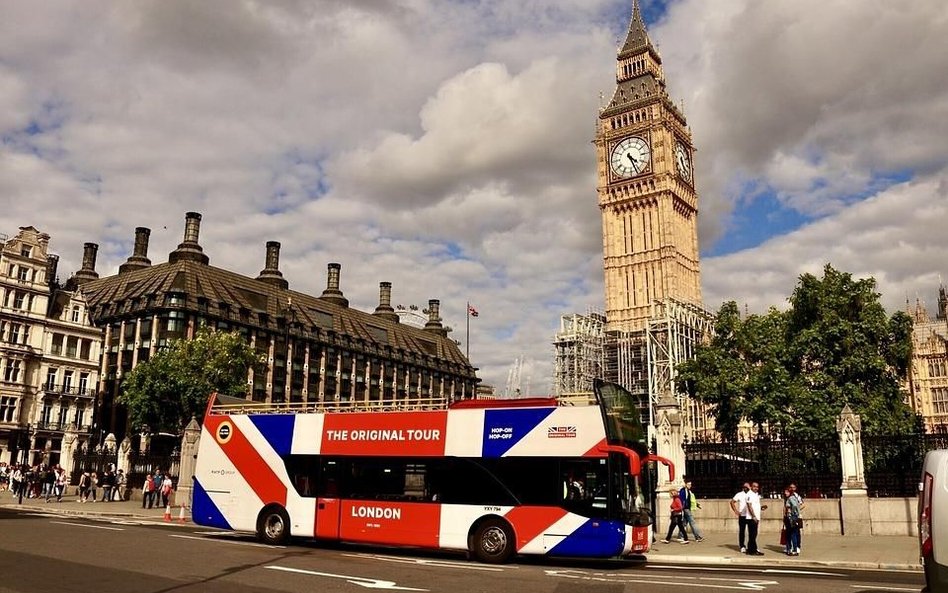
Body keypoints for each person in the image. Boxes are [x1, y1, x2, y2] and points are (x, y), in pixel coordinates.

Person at [745, 481, 767, 555]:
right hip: (752, 518)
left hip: (756, 517)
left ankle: (750, 549)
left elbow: (754, 506)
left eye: (757, 487)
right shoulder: (749, 494)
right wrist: (753, 516)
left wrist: (761, 508)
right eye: (754, 486)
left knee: (753, 534)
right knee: (753, 534)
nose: (756, 488)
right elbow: (749, 506)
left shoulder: (756, 495)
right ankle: (753, 550)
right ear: (751, 487)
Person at [679, 478, 704, 542]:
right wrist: (681, 508)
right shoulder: (683, 491)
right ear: (685, 484)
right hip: (686, 508)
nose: (690, 486)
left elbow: (691, 500)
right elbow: (681, 500)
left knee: (684, 523)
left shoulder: (689, 491)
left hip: (687, 508)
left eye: (690, 484)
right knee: (692, 522)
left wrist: (697, 505)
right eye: (688, 484)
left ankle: (681, 535)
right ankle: (698, 537)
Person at [729, 482, 751, 553]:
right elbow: (732, 502)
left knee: (752, 532)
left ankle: (751, 546)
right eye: (744, 486)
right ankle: (742, 546)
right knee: (742, 531)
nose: (745, 488)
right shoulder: (739, 494)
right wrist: (736, 511)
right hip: (743, 515)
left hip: (750, 515)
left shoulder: (751, 494)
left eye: (747, 486)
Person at [784, 486, 802, 555]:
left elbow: (793, 506)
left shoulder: (790, 499)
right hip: (795, 517)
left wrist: (790, 512)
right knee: (793, 534)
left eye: (787, 492)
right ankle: (794, 549)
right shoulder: (794, 498)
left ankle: (790, 549)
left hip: (791, 518)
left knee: (790, 534)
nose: (785, 493)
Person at [789, 483, 805, 552]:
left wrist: (797, 511)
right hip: (790, 516)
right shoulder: (788, 495)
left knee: (796, 532)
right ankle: (792, 546)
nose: (792, 489)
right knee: (792, 531)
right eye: (791, 487)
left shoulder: (797, 496)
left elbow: (803, 505)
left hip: (796, 516)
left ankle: (797, 546)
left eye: (793, 487)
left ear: (795, 488)